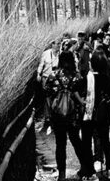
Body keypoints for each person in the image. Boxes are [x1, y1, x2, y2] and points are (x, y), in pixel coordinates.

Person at [45, 52, 96, 181]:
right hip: (73, 116)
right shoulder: (77, 76)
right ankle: (85, 168)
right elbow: (82, 96)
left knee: (60, 144)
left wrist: (50, 113)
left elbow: (47, 94)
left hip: (58, 116)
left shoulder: (53, 76)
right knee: (76, 141)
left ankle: (62, 174)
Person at [82, 51, 110, 180]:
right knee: (105, 142)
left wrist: (83, 101)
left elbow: (75, 89)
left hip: (89, 115)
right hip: (103, 116)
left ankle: (89, 172)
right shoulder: (106, 78)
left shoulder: (87, 78)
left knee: (86, 143)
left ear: (92, 64)